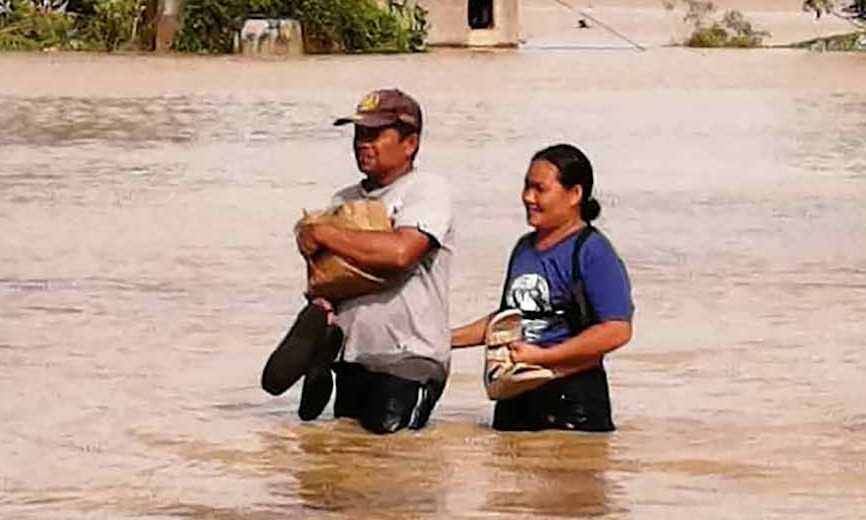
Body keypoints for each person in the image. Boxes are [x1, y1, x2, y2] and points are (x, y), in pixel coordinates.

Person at [261, 88, 455, 433]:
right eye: (359, 134)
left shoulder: (426, 190)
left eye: (375, 134)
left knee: (393, 458)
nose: (363, 143)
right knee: (349, 464)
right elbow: (328, 278)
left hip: (410, 362)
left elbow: (400, 253)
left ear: (410, 143)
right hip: (353, 361)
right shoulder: (343, 200)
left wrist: (322, 234)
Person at [451, 144, 633, 432]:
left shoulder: (593, 251)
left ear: (575, 194)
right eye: (526, 187)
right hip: (514, 393)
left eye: (539, 189)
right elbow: (508, 319)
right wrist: (445, 340)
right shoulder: (523, 248)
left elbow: (616, 329)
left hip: (572, 399)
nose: (528, 197)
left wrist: (544, 357)